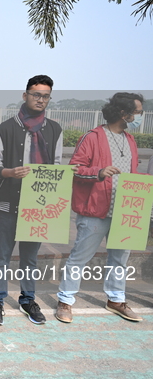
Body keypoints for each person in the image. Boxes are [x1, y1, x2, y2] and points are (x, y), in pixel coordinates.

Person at [56, 92, 144, 323]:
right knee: (80, 257)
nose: (140, 117)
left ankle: (116, 300)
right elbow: (75, 167)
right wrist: (99, 172)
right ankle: (65, 300)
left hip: (124, 212)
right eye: (137, 113)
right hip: (95, 210)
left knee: (120, 259)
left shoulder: (130, 140)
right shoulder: (93, 137)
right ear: (123, 114)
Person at [0, 75, 63, 325]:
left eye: (45, 96)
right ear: (25, 95)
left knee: (30, 258)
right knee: (2, 256)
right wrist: (8, 172)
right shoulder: (5, 128)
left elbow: (58, 165)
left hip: (38, 206)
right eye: (36, 94)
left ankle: (27, 299)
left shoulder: (54, 129)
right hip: (9, 202)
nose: (40, 99)